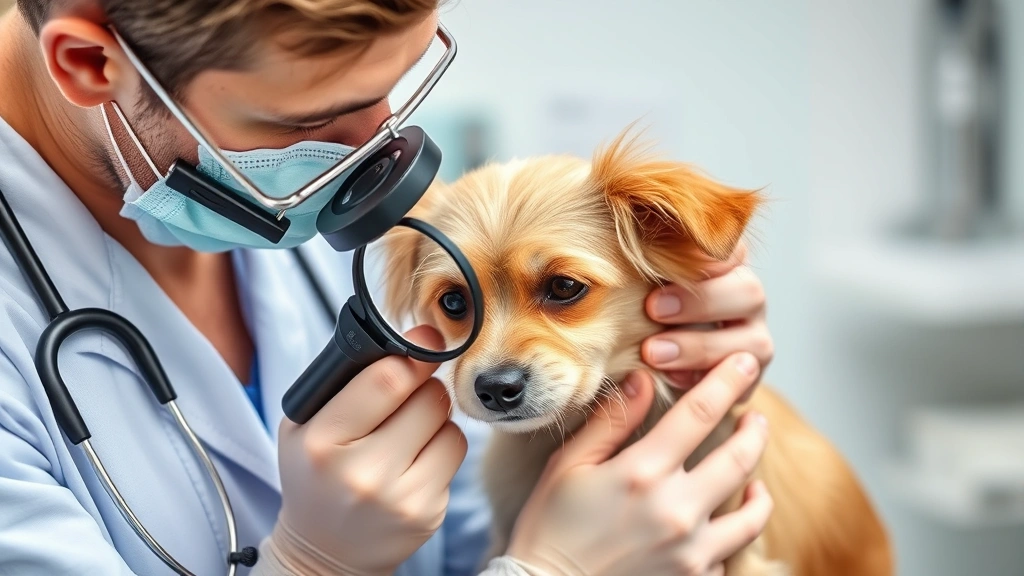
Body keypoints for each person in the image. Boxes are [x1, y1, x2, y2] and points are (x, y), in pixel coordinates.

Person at [0, 1, 777, 575]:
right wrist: (312, 566)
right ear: (91, 64)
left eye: (400, 85)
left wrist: (675, 364)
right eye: (312, 118)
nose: (379, 153)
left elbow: (465, 525)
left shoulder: (295, 216)